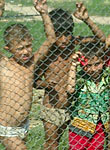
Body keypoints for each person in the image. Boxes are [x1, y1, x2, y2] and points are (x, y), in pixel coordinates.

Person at [34, 2, 106, 150]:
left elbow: (101, 40)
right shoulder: (47, 54)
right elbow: (34, 80)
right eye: (59, 35)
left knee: (75, 144)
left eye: (67, 34)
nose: (64, 39)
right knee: (52, 144)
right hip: (52, 107)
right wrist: (46, 84)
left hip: (73, 107)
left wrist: (87, 20)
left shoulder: (74, 43)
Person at [0, 0, 56, 149]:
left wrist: (43, 13)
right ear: (8, 48)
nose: (25, 52)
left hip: (23, 125)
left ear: (31, 41)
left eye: (28, 46)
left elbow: (51, 39)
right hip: (6, 127)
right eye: (19, 48)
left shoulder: (31, 63)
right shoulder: (4, 64)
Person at [67, 40, 109, 150]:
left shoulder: (107, 76)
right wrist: (73, 66)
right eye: (88, 65)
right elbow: (70, 89)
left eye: (97, 64)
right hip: (80, 124)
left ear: (103, 61)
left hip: (100, 124)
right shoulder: (81, 78)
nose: (93, 69)